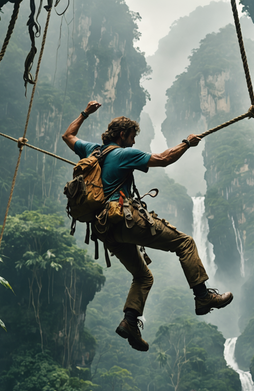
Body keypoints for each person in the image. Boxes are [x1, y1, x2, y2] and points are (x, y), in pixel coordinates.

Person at [62, 101, 233, 352]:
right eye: (132, 137)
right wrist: (187, 143)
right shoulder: (124, 154)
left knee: (143, 276)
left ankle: (130, 322)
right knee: (184, 242)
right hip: (125, 219)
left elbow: (68, 135)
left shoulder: (92, 151)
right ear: (123, 134)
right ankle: (202, 296)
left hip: (105, 231)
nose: (133, 142)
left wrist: (85, 113)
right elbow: (164, 159)